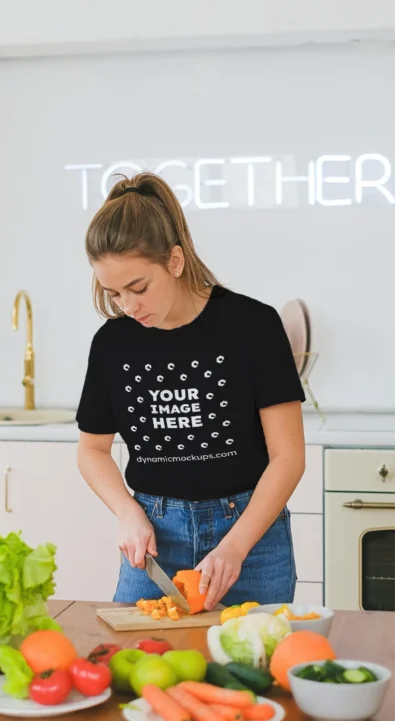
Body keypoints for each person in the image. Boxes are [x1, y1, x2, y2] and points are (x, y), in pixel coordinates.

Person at [76, 172, 305, 611]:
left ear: (175, 261)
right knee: (140, 669)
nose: (127, 306)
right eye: (114, 293)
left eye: (138, 288)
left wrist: (235, 547)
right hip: (157, 538)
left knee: (252, 668)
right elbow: (92, 450)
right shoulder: (112, 343)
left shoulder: (252, 326)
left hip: (251, 536)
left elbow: (289, 457)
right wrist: (127, 512)